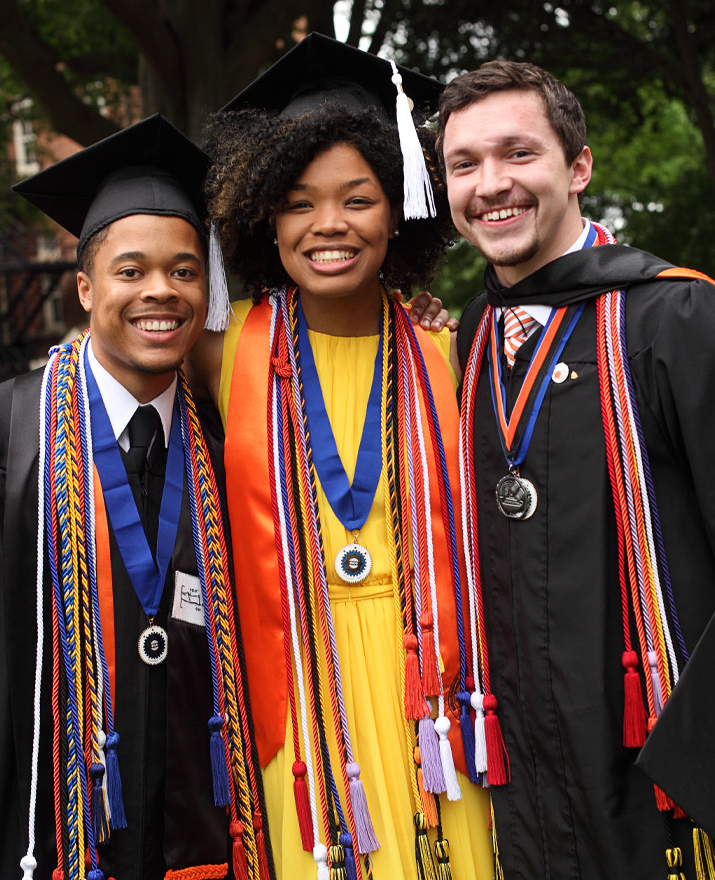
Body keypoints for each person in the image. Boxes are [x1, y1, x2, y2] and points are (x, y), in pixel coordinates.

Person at [188, 32, 493, 880]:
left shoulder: (447, 352)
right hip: (298, 688)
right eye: (297, 203)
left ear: (397, 210)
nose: (329, 225)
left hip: (428, 686)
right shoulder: (223, 351)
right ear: (263, 219)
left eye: (357, 199)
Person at [0, 115, 268, 880]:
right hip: (41, 829)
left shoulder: (232, 436)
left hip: (198, 826)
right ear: (85, 286)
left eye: (185, 270)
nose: (160, 292)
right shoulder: (2, 431)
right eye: (131, 271)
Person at [437, 59, 715, 879]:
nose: (491, 184)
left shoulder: (675, 316)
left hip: (663, 784)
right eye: (464, 165)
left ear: (579, 166)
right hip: (530, 788)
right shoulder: (474, 335)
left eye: (519, 154)